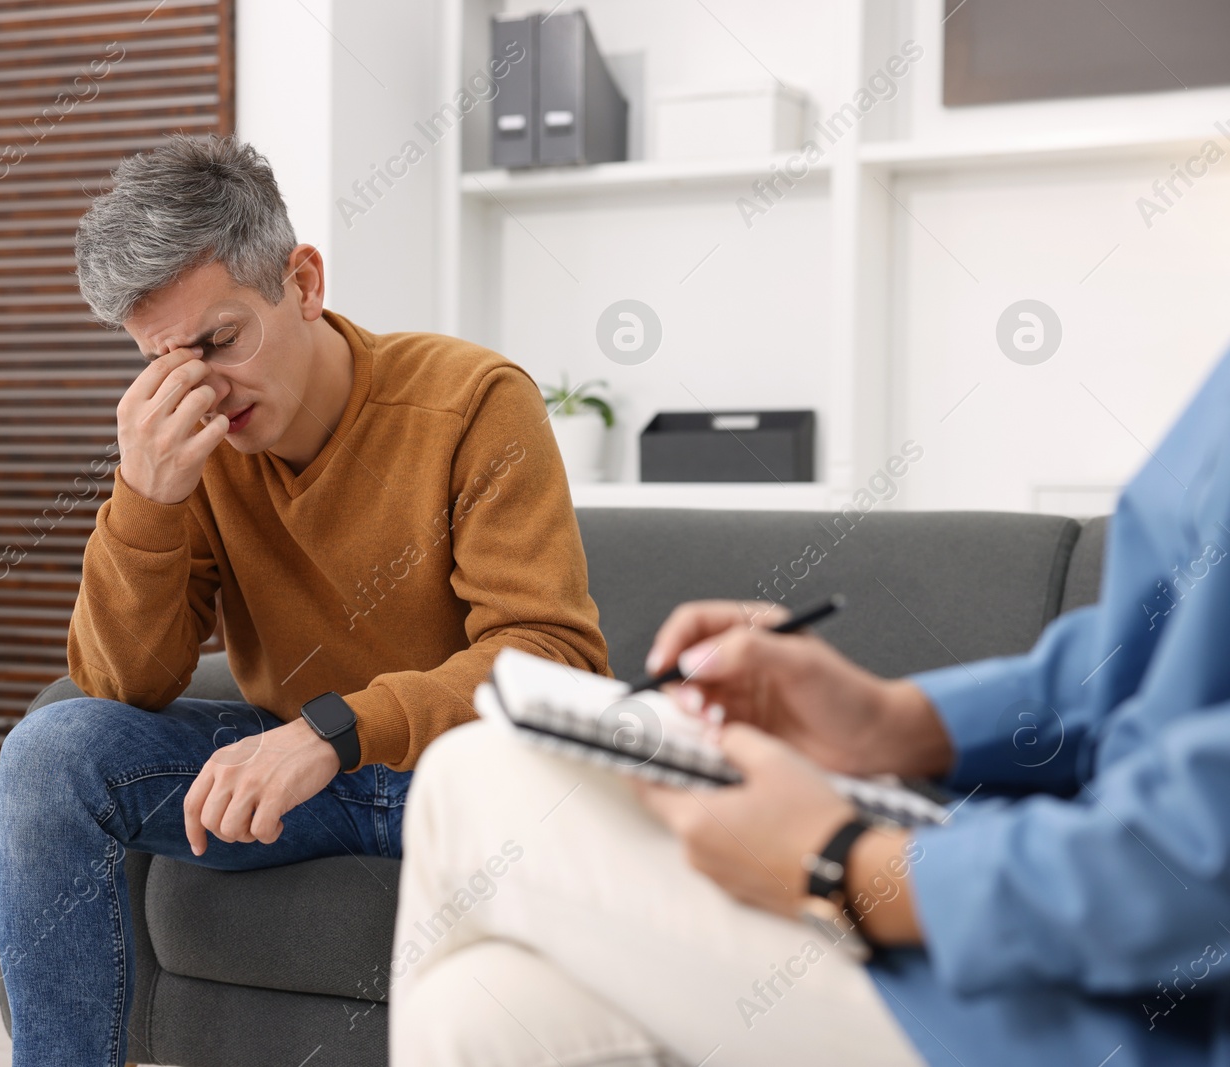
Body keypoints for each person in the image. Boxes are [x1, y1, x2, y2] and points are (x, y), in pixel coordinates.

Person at [390, 349, 1230, 1066]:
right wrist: (894, 720)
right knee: (478, 1015)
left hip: (1133, 1006)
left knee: (475, 775)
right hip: (1052, 917)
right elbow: (1148, 652)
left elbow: (1192, 867)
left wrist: (842, 861)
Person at [0, 135, 609, 1064]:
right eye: (165, 363)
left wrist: (330, 731)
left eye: (221, 340)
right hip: (299, 780)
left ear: (305, 282)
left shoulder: (473, 400)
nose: (201, 387)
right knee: (52, 750)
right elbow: (123, 684)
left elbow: (552, 655)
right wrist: (145, 500)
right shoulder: (191, 449)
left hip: (459, 780)